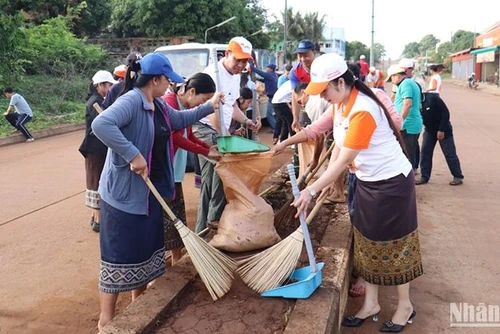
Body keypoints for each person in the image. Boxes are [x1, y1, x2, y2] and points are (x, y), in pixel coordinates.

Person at [91, 53, 223, 331]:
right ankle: (107, 321)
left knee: (142, 253)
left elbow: (178, 120)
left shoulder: (159, 105)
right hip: (123, 196)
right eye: (167, 81)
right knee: (118, 256)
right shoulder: (131, 101)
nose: (171, 87)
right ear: (155, 80)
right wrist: (132, 154)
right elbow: (101, 125)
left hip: (149, 194)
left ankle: (136, 306)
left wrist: (209, 106)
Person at [293, 53, 423, 331]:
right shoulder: (341, 105)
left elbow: (341, 159)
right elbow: (339, 146)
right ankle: (371, 304)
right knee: (366, 242)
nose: (323, 96)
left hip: (391, 185)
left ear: (340, 82)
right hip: (366, 181)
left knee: (395, 246)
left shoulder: (363, 109)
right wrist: (329, 178)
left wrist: (311, 190)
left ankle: (405, 306)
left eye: (324, 89)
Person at [193, 36, 259, 233]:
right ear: (227, 53)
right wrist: (224, 137)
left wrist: (246, 120)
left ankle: (202, 231)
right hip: (204, 128)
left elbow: (230, 106)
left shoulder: (236, 76)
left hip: (218, 130)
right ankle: (214, 222)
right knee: (227, 169)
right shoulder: (213, 75)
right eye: (238, 59)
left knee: (210, 183)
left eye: (245, 61)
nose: (241, 64)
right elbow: (211, 110)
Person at [162, 72, 222, 265]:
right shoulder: (170, 102)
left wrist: (206, 149)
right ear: (192, 91)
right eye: (202, 100)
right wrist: (203, 151)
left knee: (176, 214)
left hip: (174, 169)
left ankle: (177, 258)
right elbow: (175, 136)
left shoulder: (183, 106)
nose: (199, 105)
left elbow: (188, 135)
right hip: (164, 168)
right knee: (167, 215)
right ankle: (172, 258)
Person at [78, 70, 118, 232]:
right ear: (100, 85)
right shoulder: (95, 102)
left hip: (100, 148)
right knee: (95, 182)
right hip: (94, 149)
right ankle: (98, 219)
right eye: (108, 85)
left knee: (100, 180)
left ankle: (97, 217)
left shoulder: (100, 100)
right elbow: (104, 123)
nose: (109, 88)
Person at [415, 90, 464, 186]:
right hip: (429, 130)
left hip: (444, 129)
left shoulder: (432, 98)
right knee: (425, 152)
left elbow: (445, 113)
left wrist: (441, 129)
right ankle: (424, 176)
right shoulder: (413, 102)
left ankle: (457, 176)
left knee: (449, 153)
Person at [386, 65, 423, 172]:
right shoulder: (410, 83)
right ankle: (412, 171)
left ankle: (408, 177)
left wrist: (400, 121)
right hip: (412, 123)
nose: (392, 82)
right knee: (411, 150)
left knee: (406, 153)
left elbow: (407, 104)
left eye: (392, 78)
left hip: (408, 124)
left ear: (396, 76)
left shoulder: (405, 84)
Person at [290, 39, 317, 132]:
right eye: (300, 56)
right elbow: (295, 95)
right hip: (305, 105)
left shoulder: (321, 68)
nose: (303, 59)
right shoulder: (295, 72)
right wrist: (295, 117)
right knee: (302, 129)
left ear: (314, 53)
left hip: (323, 104)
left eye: (306, 55)